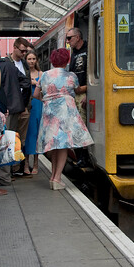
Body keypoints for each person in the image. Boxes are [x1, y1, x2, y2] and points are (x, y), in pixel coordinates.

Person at [35, 48, 93, 190]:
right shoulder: (71, 76)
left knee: (55, 146)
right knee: (63, 145)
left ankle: (53, 176)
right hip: (65, 113)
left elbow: (36, 94)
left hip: (49, 113)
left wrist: (47, 100)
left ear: (52, 61)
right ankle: (57, 178)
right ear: (67, 61)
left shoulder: (44, 75)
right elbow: (78, 90)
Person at [0, 37, 31, 186]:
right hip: (14, 108)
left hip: (3, 108)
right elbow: (26, 82)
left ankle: (3, 176)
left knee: (1, 140)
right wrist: (19, 97)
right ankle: (7, 174)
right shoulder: (10, 66)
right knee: (8, 141)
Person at [67, 27, 91, 167]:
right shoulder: (74, 53)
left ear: (78, 37)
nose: (68, 41)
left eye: (69, 38)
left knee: (82, 126)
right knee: (75, 127)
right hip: (75, 94)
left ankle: (84, 157)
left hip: (84, 93)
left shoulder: (89, 50)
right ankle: (80, 156)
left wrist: (90, 92)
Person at [23, 51, 43, 176]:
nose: (31, 61)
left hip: (38, 105)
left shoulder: (41, 74)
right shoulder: (23, 73)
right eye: (29, 58)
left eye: (33, 58)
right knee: (27, 134)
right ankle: (26, 163)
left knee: (36, 134)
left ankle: (36, 162)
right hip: (27, 105)